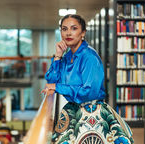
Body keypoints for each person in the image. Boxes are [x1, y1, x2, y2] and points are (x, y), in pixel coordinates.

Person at [42, 14, 134, 144]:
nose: (68, 33)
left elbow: (88, 92)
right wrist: (57, 56)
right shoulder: (68, 56)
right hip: (74, 110)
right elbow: (52, 80)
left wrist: (57, 87)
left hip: (91, 113)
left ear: (83, 33)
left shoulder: (89, 56)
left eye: (74, 28)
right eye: (64, 29)